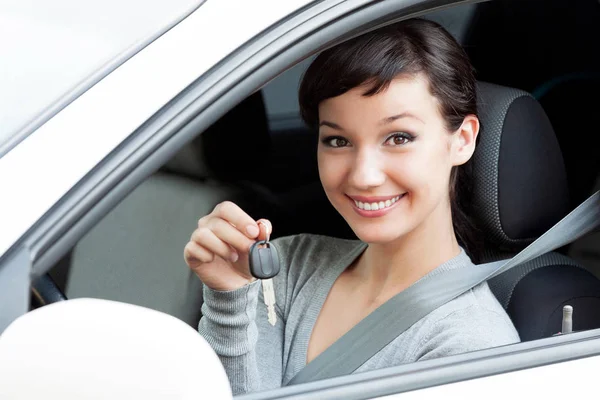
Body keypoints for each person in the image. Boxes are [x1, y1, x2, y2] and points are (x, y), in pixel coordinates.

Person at [184, 18, 520, 395]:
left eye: (398, 137)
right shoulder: (289, 263)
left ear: (462, 140)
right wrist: (229, 295)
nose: (363, 175)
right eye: (338, 141)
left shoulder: (469, 345)